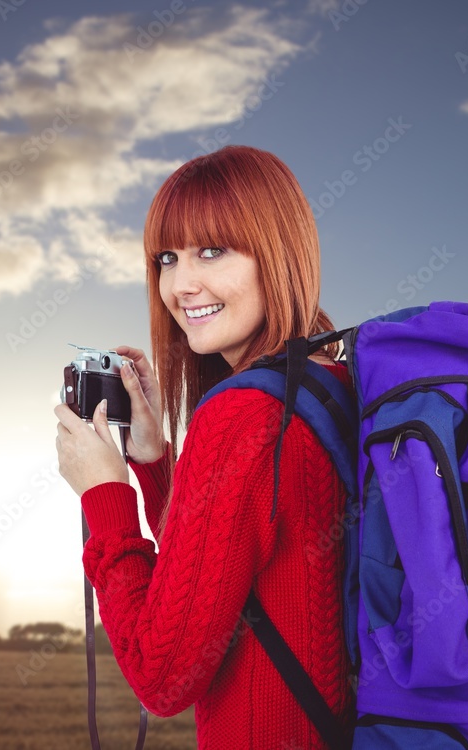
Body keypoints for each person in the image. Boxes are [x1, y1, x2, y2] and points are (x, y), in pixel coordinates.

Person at [54, 145, 355, 749]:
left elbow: (161, 678)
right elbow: (232, 575)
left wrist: (105, 496)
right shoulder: (334, 378)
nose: (181, 285)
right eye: (167, 258)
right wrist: (155, 464)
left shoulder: (242, 416)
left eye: (212, 251)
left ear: (278, 252)